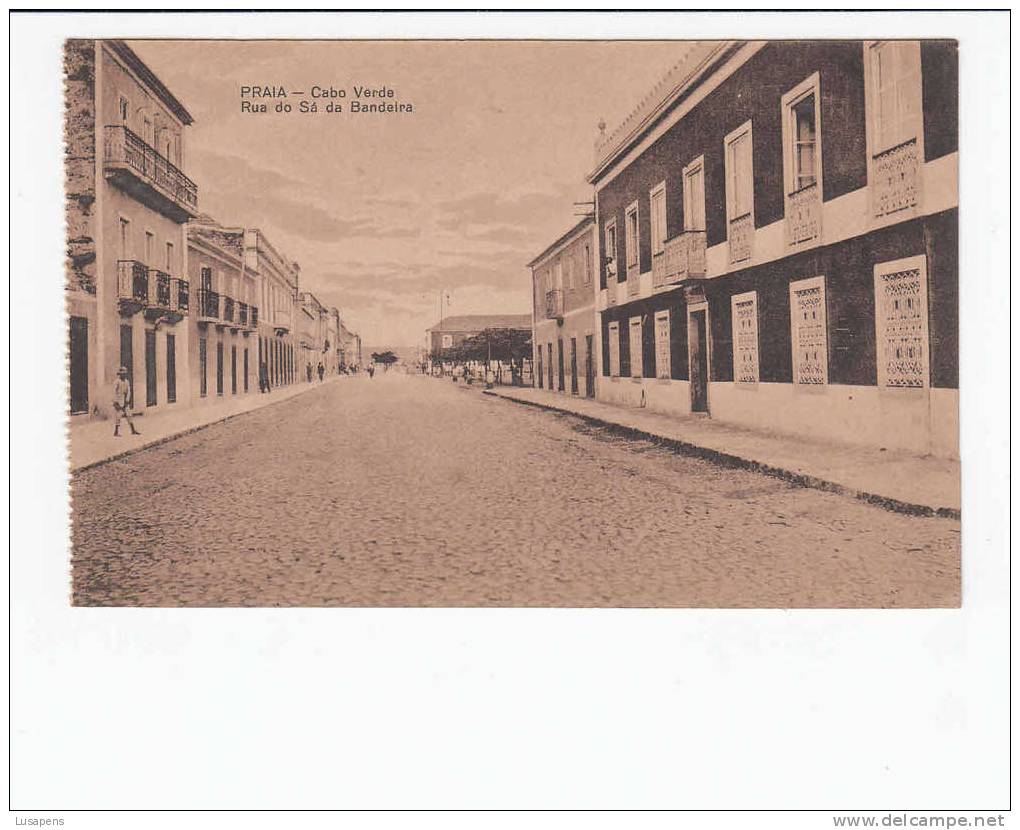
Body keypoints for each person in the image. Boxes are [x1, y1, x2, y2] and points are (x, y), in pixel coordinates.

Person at [112, 367, 140, 437]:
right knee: (118, 416)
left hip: (125, 401)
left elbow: (128, 391)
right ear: (120, 374)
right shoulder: (117, 381)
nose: (123, 375)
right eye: (122, 374)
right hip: (118, 401)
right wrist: (115, 402)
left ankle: (133, 430)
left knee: (129, 415)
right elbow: (113, 392)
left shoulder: (127, 381)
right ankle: (116, 432)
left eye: (124, 374)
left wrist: (127, 400)